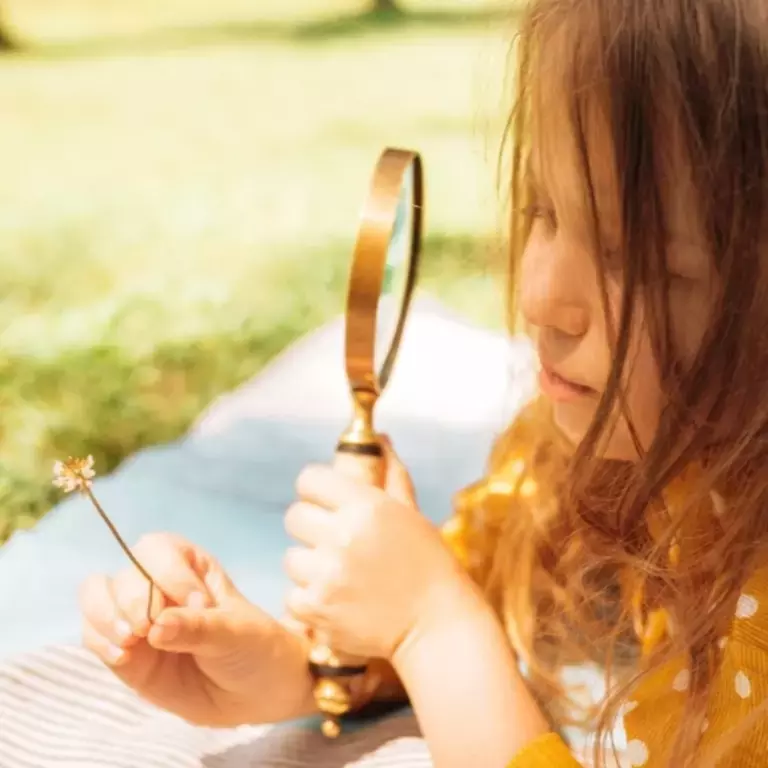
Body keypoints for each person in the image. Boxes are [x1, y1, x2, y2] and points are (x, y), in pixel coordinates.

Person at [78, 0, 768, 765]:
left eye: (632, 260)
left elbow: (445, 615)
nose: (540, 298)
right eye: (542, 208)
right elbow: (482, 590)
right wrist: (305, 669)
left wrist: (430, 624)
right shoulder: (579, 447)